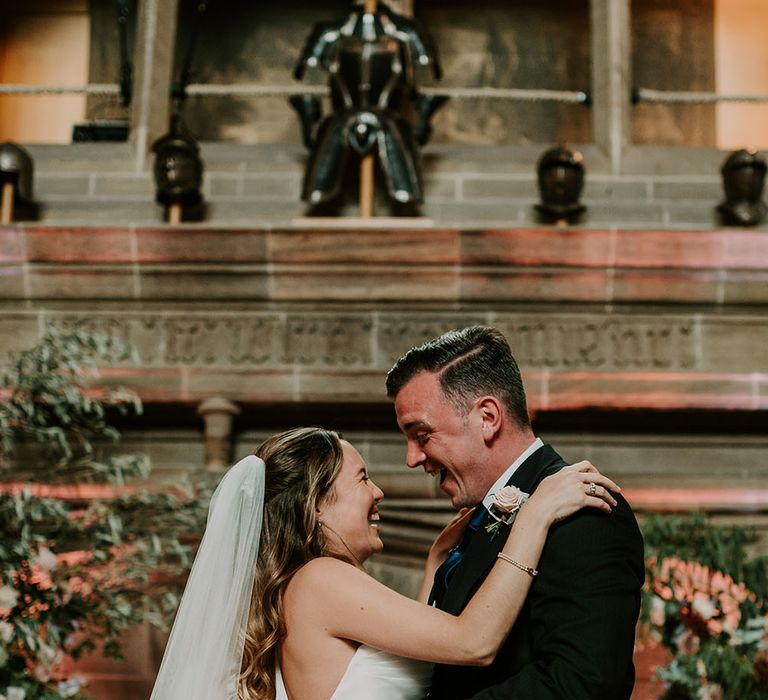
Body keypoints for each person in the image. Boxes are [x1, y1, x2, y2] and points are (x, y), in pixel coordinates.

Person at [149, 427, 620, 700]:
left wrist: (436, 562)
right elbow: (473, 642)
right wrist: (534, 517)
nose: (378, 492)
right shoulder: (319, 580)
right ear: (315, 505)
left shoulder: (306, 588)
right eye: (363, 477)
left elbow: (393, 662)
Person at [386, 325, 646, 699]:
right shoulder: (475, 523)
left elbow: (581, 683)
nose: (412, 459)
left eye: (422, 434)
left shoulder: (585, 512)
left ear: (488, 418)